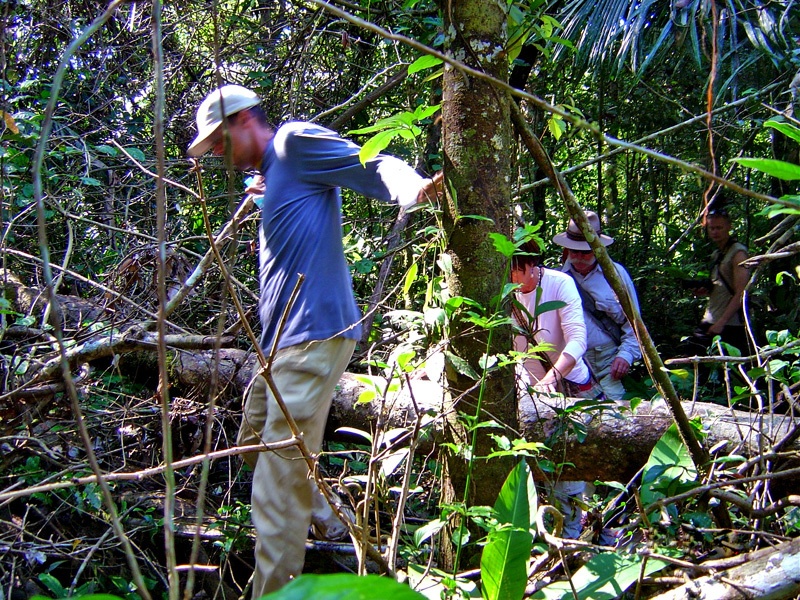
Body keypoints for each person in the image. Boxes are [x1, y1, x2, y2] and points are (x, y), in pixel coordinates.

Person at [187, 84, 441, 595]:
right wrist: (268, 187)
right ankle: (329, 518)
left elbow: (371, 162)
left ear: (242, 121)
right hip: (279, 344)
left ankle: (273, 590)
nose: (216, 154)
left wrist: (414, 188)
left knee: (276, 485)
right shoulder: (276, 169)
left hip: (311, 336)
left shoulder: (293, 143)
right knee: (255, 442)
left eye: (218, 142)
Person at [511, 236, 604, 539]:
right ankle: (558, 532)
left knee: (576, 468)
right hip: (530, 391)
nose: (512, 277)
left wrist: (550, 379)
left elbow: (577, 340)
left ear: (532, 265)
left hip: (570, 386)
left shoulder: (559, 284)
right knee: (544, 468)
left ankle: (580, 535)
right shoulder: (505, 295)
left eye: (517, 270)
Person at [553, 210, 641, 400]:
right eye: (574, 250)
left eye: (585, 251)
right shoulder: (557, 279)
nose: (579, 256)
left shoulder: (616, 276)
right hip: (573, 361)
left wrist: (625, 356)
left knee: (616, 412)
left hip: (608, 358)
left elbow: (635, 325)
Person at [690, 207, 750, 354]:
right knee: (696, 356)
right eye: (712, 228)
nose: (715, 232)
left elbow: (741, 292)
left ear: (729, 227)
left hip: (730, 324)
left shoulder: (738, 253)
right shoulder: (717, 254)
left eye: (719, 228)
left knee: (732, 368)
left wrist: (721, 322)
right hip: (712, 318)